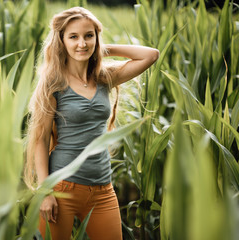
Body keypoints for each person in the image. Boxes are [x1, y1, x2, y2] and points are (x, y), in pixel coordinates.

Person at [25, 6, 159, 240]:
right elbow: (40, 139)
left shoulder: (104, 77)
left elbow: (151, 55)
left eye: (89, 35)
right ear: (61, 41)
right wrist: (45, 192)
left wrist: (101, 50)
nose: (82, 43)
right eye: (73, 37)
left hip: (102, 189)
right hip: (61, 188)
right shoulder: (52, 84)